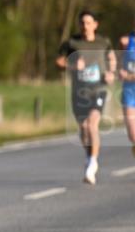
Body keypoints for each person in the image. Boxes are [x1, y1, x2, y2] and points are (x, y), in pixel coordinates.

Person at [56, 10, 115, 184]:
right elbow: (58, 62)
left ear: (95, 24)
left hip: (98, 90)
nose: (85, 26)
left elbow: (111, 58)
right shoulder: (72, 42)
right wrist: (72, 65)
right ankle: (90, 156)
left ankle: (92, 165)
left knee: (92, 124)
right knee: (83, 129)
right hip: (79, 93)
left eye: (88, 22)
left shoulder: (103, 42)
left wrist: (111, 72)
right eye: (82, 22)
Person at [119, 22, 135, 157]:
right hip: (129, 94)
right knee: (133, 135)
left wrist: (129, 76)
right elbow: (119, 61)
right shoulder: (125, 41)